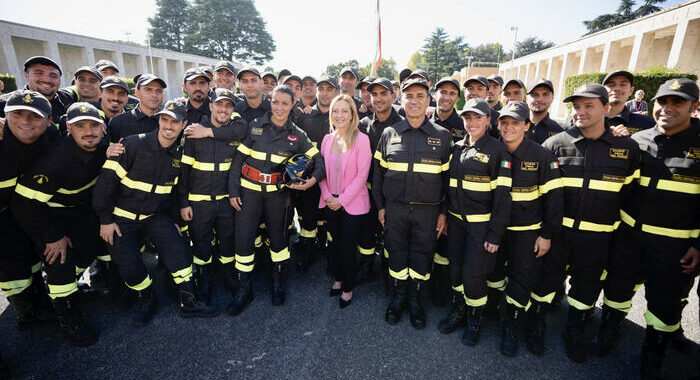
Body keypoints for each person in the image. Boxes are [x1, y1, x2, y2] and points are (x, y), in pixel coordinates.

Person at [597, 78, 699, 378]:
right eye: (662, 102)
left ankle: (652, 357)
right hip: (629, 237)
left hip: (675, 246)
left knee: (664, 304)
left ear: (694, 108)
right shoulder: (636, 141)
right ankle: (608, 331)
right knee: (616, 290)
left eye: (677, 102)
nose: (667, 108)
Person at [93, 99, 219, 327]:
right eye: (165, 119)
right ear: (159, 120)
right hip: (122, 217)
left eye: (175, 121)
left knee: (179, 251)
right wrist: (105, 220)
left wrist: (174, 221)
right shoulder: (131, 145)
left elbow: (174, 193)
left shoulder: (180, 155)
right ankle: (146, 297)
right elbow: (104, 187)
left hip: (155, 217)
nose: (169, 126)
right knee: (129, 266)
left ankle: (188, 299)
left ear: (184, 125)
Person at [542, 83, 641, 363]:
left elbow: (630, 197)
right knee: (545, 281)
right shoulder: (555, 144)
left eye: (588, 106)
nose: (580, 112)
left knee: (586, 289)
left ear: (606, 108)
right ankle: (535, 322)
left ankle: (575, 330)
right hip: (558, 234)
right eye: (576, 106)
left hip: (598, 239)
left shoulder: (627, 147)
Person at [12, 102, 107, 346]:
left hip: (81, 212)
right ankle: (66, 316)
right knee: (59, 258)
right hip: (48, 215)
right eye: (80, 126)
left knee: (89, 247)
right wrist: (52, 235)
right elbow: (24, 205)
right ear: (68, 128)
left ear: (103, 128)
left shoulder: (104, 149)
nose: (88, 131)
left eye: (94, 125)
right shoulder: (54, 161)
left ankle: (67, 288)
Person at [227, 85, 325, 315]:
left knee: (279, 240)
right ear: (270, 102)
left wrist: (312, 181)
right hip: (248, 193)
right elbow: (237, 161)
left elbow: (318, 159)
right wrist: (233, 192)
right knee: (244, 241)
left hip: (277, 196)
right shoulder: (254, 127)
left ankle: (277, 282)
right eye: (275, 102)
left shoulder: (298, 135)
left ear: (293, 105)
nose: (279, 107)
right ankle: (244, 288)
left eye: (285, 103)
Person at [373, 78, 451, 329]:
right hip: (394, 209)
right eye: (409, 96)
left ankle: (415, 300)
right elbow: (377, 174)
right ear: (401, 100)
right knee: (396, 253)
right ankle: (398, 299)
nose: (414, 101)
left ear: (429, 100)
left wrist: (443, 213)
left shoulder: (442, 136)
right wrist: (381, 207)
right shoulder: (389, 133)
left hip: (427, 212)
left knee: (422, 255)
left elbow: (449, 181)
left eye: (420, 96)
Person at [437, 98, 511, 347]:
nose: (472, 122)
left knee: (473, 275)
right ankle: (459, 310)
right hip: (457, 223)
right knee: (456, 271)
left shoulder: (498, 151)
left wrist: (495, 235)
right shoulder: (457, 147)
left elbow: (503, 199)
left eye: (478, 117)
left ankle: (475, 319)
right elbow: (449, 187)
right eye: (468, 117)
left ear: (489, 120)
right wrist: (445, 215)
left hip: (481, 227)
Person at [493, 101, 563, 356]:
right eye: (504, 122)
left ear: (526, 125)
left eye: (515, 122)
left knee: (522, 280)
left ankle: (512, 325)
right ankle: (497, 315)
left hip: (527, 231)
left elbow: (554, 201)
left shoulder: (542, 155)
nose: (509, 127)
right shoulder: (493, 150)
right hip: (496, 231)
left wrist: (546, 235)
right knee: (494, 275)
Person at [179, 89, 247, 307]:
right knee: (201, 243)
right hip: (199, 203)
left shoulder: (235, 132)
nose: (223, 109)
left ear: (232, 111)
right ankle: (204, 280)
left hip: (226, 201)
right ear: (211, 106)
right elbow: (183, 172)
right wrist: (183, 203)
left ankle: (228, 274)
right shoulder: (193, 133)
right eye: (220, 105)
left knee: (228, 241)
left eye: (228, 106)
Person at [0, 90, 56, 331]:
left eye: (34, 116)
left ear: (48, 121)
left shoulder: (50, 137)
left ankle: (37, 296)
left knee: (29, 255)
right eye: (18, 114)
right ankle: (26, 310)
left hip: (22, 210)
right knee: (10, 263)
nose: (25, 121)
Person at [319, 94, 371, 308]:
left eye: (344, 111)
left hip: (352, 204)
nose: (339, 115)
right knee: (335, 244)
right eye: (336, 111)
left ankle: (348, 288)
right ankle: (338, 279)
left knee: (348, 246)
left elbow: (362, 175)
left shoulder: (362, 139)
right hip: (330, 201)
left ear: (352, 115)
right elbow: (320, 172)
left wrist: (342, 200)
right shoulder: (327, 139)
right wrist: (328, 196)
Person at [358, 78, 404, 291]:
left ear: (393, 96)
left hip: (393, 194)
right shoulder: (363, 124)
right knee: (366, 233)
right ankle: (366, 269)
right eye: (374, 94)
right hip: (367, 191)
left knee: (392, 236)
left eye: (383, 94)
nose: (378, 98)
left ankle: (389, 272)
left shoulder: (403, 124)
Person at [294, 75, 339, 272]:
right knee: (308, 217)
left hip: (336, 179)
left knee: (332, 219)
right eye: (322, 88)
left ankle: (331, 255)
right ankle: (308, 252)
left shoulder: (340, 116)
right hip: (311, 177)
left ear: (336, 92)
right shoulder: (305, 116)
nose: (325, 92)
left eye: (330, 89)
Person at [429, 76, 464, 306]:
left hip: (451, 195)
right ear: (435, 94)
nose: (447, 97)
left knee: (443, 247)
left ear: (457, 98)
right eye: (443, 92)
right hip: (425, 193)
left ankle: (441, 292)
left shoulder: (464, 125)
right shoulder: (421, 119)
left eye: (452, 93)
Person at [107, 74, 166, 143]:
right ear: (137, 92)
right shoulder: (119, 123)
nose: (154, 95)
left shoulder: (170, 122)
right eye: (148, 90)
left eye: (159, 91)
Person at [602, 70, 655, 135]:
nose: (617, 88)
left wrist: (628, 141)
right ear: (603, 90)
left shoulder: (648, 124)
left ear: (631, 90)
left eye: (623, 84)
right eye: (611, 84)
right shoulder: (589, 121)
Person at [526, 79, 564, 145]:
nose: (540, 99)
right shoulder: (516, 127)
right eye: (535, 95)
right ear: (526, 98)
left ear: (552, 97)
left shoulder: (561, 131)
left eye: (545, 94)